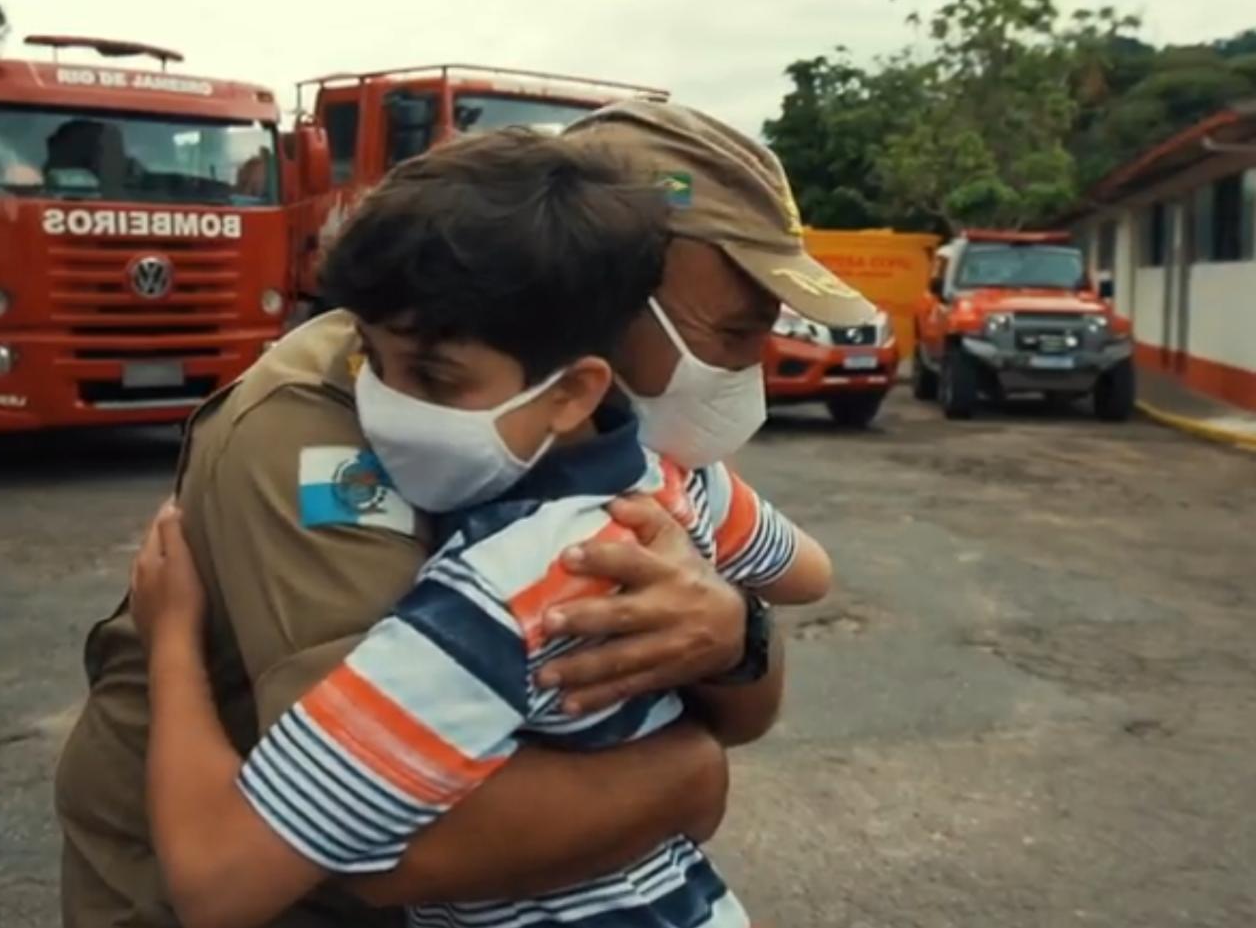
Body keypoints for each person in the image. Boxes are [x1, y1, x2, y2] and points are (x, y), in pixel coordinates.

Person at [55, 97, 872, 928]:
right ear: (613, 288)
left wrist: (735, 633)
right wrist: (688, 773)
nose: (742, 367)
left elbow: (746, 688)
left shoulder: (597, 437)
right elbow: (388, 842)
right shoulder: (329, 422)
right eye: (730, 334)